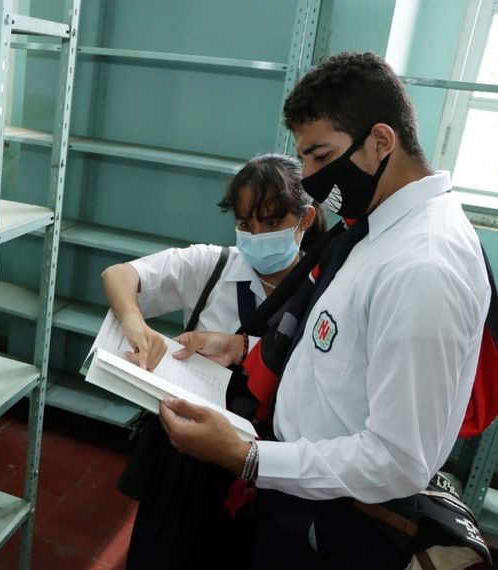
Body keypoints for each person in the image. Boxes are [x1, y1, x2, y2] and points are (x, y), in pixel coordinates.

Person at [159, 51, 493, 568]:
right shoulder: (374, 226)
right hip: (301, 495)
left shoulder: (424, 266)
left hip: (341, 521)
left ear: (381, 140)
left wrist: (245, 457)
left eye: (320, 156)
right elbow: (343, 350)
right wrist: (242, 345)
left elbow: (397, 460)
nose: (310, 176)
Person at [101, 153, 325, 569]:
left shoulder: (322, 291)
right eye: (245, 223)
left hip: (264, 466)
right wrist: (136, 325)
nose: (256, 235)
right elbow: (119, 275)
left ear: (305, 219)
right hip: (186, 459)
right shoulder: (214, 266)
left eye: (272, 222)